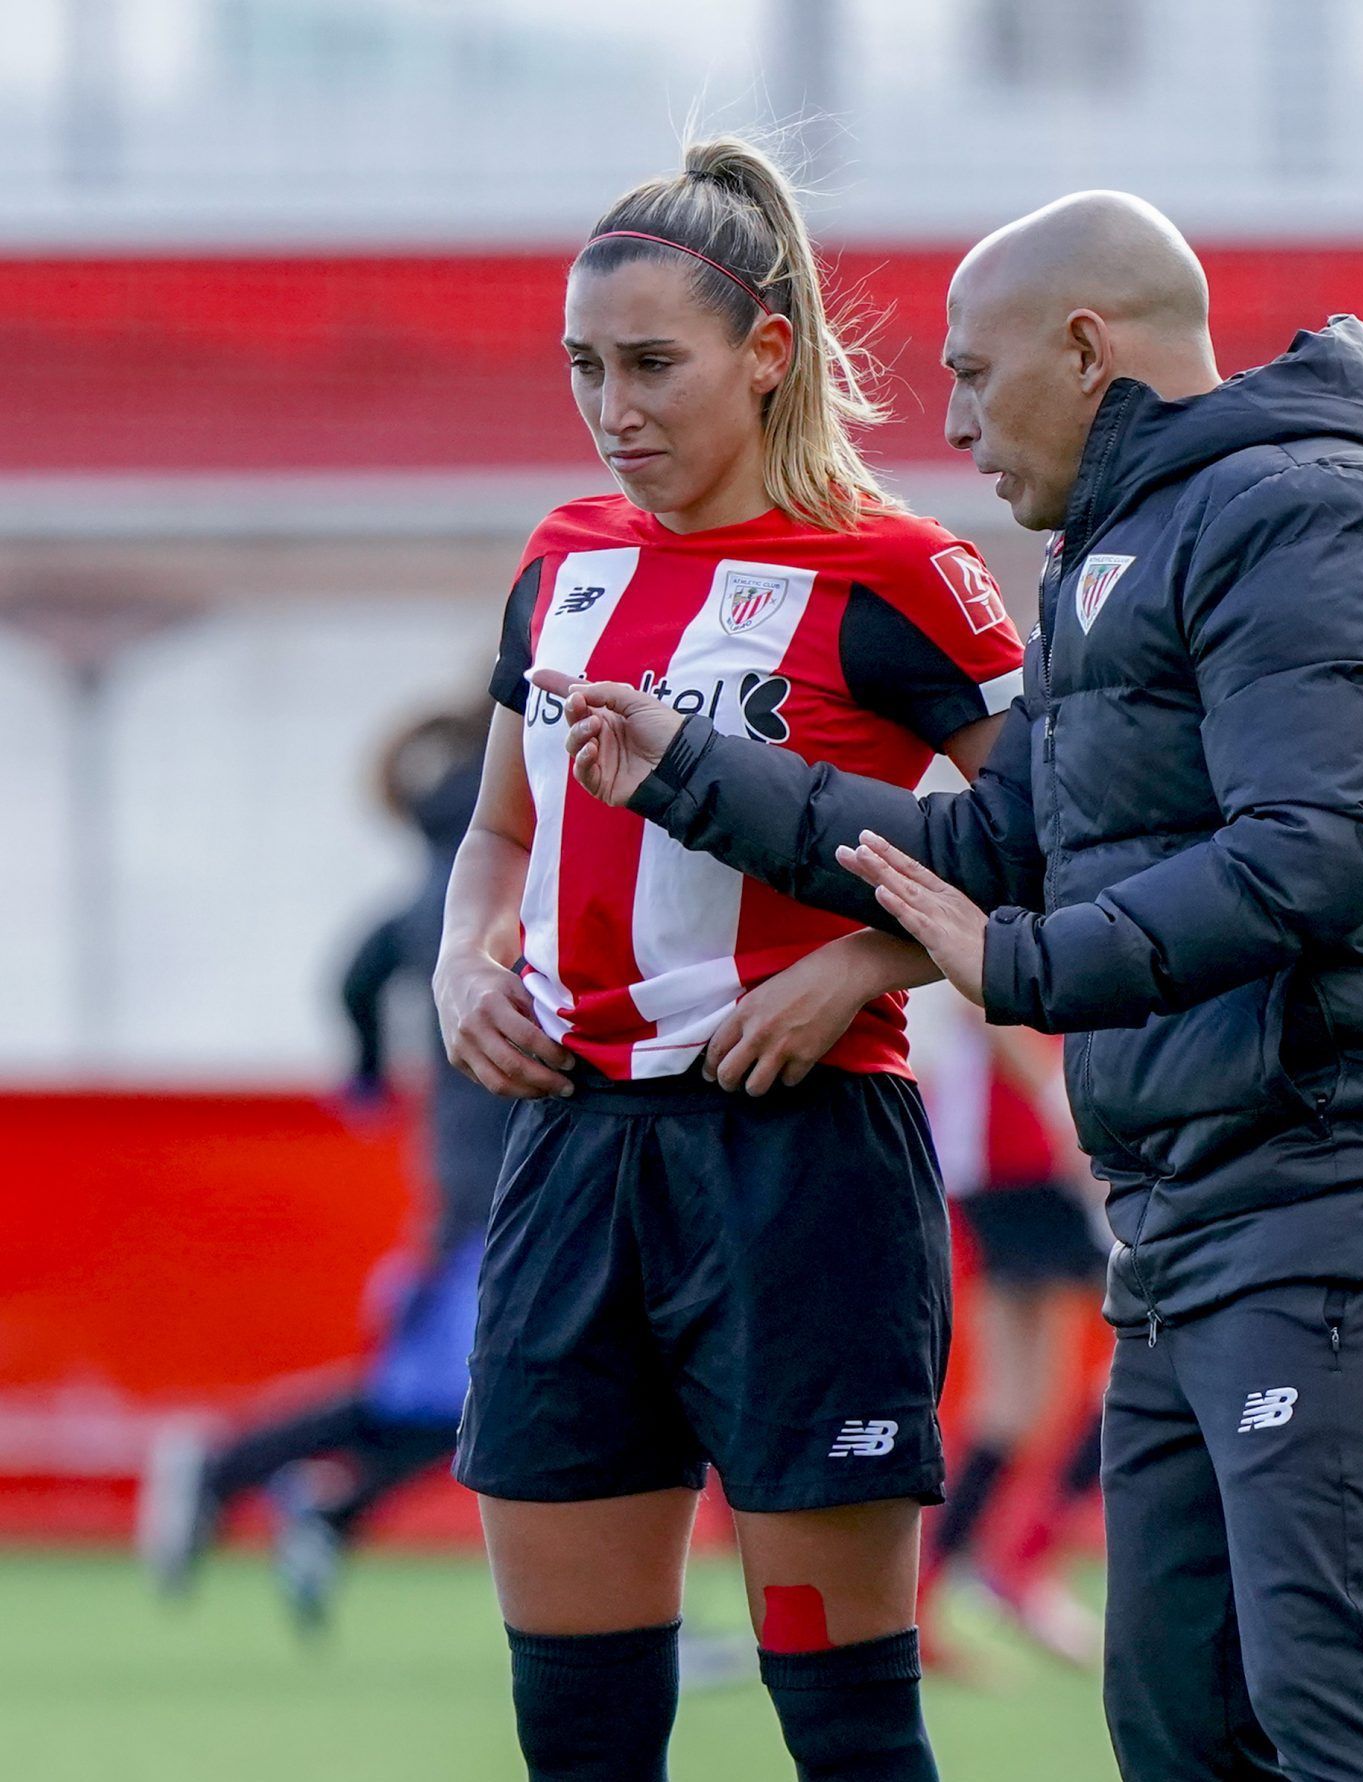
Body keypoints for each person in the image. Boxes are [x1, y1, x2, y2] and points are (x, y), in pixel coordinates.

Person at [535, 190, 1363, 1782]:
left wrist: (1021, 966)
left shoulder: (1308, 509)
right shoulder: (1114, 551)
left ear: (1086, 350)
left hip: (1348, 1188)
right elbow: (997, 841)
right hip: (1191, 1206)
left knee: (1329, 1713)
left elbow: (1315, 853)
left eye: (972, 374)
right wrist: (696, 774)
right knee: (1178, 1726)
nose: (951, 425)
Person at [431, 137, 1025, 1782]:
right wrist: (462, 965)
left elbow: (1050, 834)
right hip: (573, 1156)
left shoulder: (903, 573)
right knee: (580, 1727)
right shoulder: (560, 559)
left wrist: (865, 966)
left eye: (649, 364)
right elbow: (496, 835)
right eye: (582, 366)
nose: (609, 406)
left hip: (803, 1162)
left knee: (846, 1722)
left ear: (766, 353)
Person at [140, 702, 509, 1634]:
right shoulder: (511, 852)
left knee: (492, 1390)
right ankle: (241, 1473)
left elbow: (360, 969)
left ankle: (315, 1505)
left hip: (482, 1166)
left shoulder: (454, 863)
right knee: (483, 1388)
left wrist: (369, 1073)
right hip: (507, 1174)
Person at [917, 1012, 1105, 1669]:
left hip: (1007, 1156)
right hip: (1026, 1153)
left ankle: (936, 1592)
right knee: (1145, 1358)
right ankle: (1019, 1566)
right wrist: (1068, 1114)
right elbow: (980, 997)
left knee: (1018, 1403)